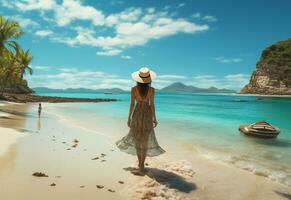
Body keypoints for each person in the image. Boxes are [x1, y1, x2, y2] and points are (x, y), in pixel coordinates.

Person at [116, 67, 165, 173]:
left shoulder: (134, 89)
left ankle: (140, 164)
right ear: (149, 79)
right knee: (145, 140)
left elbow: (132, 104)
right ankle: (142, 164)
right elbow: (152, 105)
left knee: (138, 139)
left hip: (137, 115)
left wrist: (129, 117)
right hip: (147, 115)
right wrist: (154, 119)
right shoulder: (151, 90)